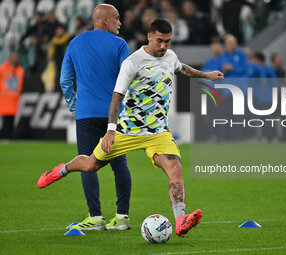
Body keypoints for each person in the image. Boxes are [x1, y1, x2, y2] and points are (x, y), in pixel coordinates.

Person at [37, 19, 224, 237]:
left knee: (175, 169)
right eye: (160, 41)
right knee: (90, 165)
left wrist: (206, 75)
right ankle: (61, 170)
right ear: (149, 37)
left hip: (157, 132)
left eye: (168, 41)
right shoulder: (133, 62)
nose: (164, 46)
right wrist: (110, 130)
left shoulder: (170, 56)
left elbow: (181, 69)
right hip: (128, 129)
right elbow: (116, 97)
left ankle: (181, 219)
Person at [57, 4, 132, 231]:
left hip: (86, 114)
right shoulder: (120, 45)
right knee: (120, 166)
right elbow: (128, 80)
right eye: (117, 19)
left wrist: (74, 106)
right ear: (106, 20)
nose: (120, 23)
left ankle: (96, 218)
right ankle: (122, 217)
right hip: (113, 115)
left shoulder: (75, 43)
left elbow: (64, 81)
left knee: (86, 162)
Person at [0, 52, 25, 139]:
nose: (16, 59)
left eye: (17, 57)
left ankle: (8, 137)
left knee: (12, 121)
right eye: (14, 57)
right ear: (10, 58)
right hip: (3, 100)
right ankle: (4, 137)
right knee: (5, 121)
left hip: (15, 100)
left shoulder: (21, 70)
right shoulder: (2, 69)